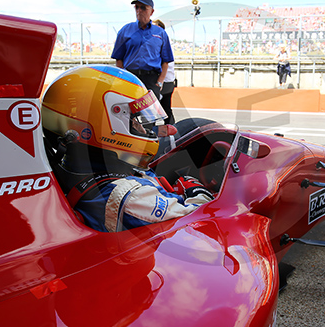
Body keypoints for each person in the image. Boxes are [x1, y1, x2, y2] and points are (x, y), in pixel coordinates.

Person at [42, 64, 213, 233]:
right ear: (104, 126)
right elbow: (201, 216)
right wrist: (195, 188)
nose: (143, 129)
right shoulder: (129, 197)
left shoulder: (86, 171)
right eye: (134, 121)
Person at [111, 0, 173, 100]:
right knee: (128, 112)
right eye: (137, 7)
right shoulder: (125, 31)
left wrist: (159, 82)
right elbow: (119, 58)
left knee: (150, 114)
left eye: (143, 8)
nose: (139, 10)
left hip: (151, 80)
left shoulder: (160, 33)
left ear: (151, 11)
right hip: (131, 78)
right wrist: (123, 79)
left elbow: (166, 61)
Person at [153, 19, 176, 124]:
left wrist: (160, 81)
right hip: (167, 80)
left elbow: (164, 63)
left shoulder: (161, 41)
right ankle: (172, 129)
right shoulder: (163, 41)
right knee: (165, 109)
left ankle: (171, 129)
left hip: (164, 81)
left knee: (157, 109)